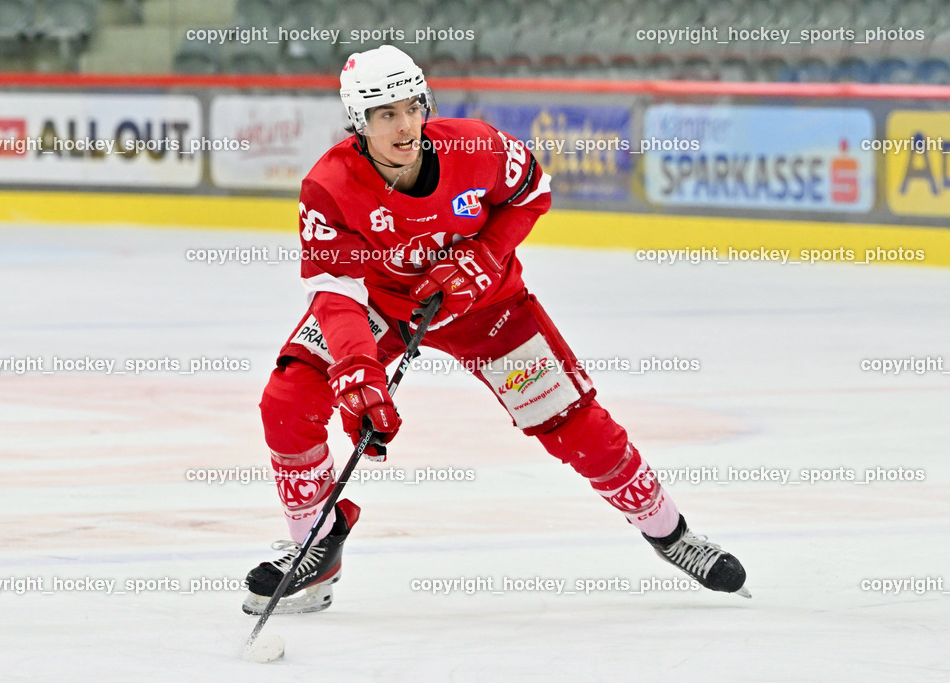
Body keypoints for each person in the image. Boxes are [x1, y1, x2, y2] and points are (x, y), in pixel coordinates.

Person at [243, 45, 749, 616]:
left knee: (575, 425)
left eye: (412, 107)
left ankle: (671, 534)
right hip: (383, 307)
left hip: (489, 306)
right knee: (288, 398)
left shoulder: (476, 146)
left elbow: (533, 192)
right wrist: (357, 370)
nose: (405, 125)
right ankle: (316, 547)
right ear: (359, 124)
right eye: (386, 115)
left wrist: (484, 254)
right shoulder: (330, 186)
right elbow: (338, 293)